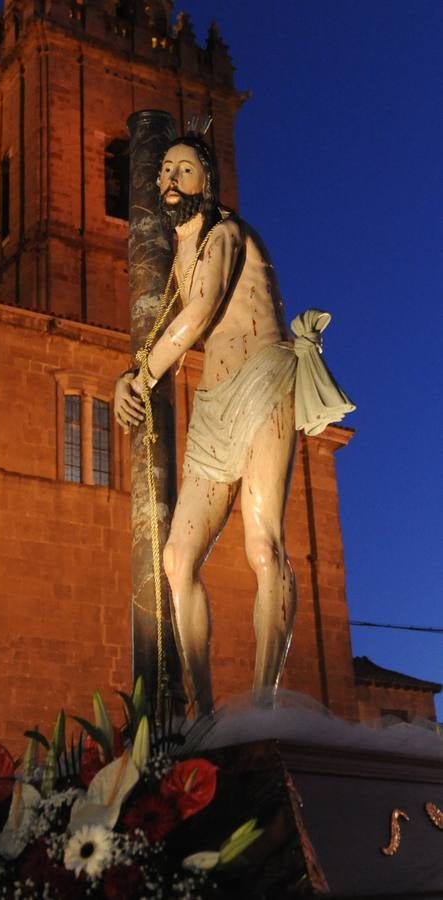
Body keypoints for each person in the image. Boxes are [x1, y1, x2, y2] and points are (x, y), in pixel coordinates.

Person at [114, 128, 353, 714]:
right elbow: (166, 326)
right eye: (165, 170)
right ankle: (203, 712)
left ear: (207, 182)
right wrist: (132, 374)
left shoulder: (225, 234)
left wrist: (141, 379)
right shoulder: (178, 260)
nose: (171, 178)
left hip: (263, 383)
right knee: (176, 560)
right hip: (214, 407)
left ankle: (265, 701)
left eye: (185, 169)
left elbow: (196, 315)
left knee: (263, 545)